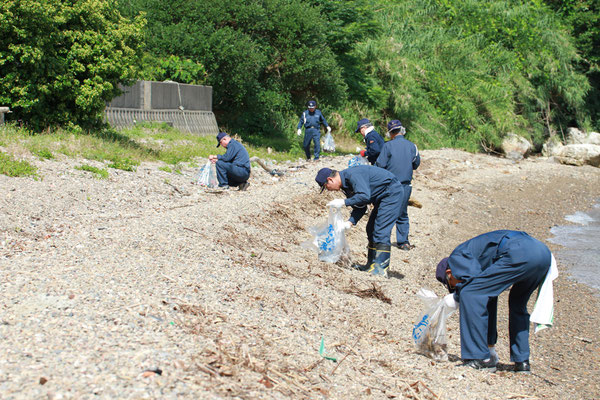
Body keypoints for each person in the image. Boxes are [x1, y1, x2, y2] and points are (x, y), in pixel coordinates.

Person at [435, 230, 553, 373]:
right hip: (543, 253)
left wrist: (457, 295)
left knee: (470, 293)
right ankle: (522, 362)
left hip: (519, 251)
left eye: (452, 284)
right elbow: (486, 295)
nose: (454, 287)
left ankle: (479, 358)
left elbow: (472, 287)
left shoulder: (457, 257)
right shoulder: (475, 257)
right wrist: (490, 346)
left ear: (449, 273)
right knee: (517, 304)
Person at [315, 165, 404, 277]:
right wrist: (350, 222)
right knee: (370, 229)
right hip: (381, 197)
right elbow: (360, 206)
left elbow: (364, 196)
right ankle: (371, 264)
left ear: (330, 179)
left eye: (326, 186)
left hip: (392, 193)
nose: (328, 189)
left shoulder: (353, 175)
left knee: (380, 230)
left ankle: (381, 268)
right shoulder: (346, 185)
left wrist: (344, 202)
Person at [375, 120, 420, 250]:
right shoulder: (412, 146)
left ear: (390, 133)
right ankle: (404, 242)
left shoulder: (387, 146)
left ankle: (383, 241)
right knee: (402, 213)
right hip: (406, 185)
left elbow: (380, 165)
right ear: (402, 130)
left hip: (390, 185)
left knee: (386, 213)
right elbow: (416, 164)